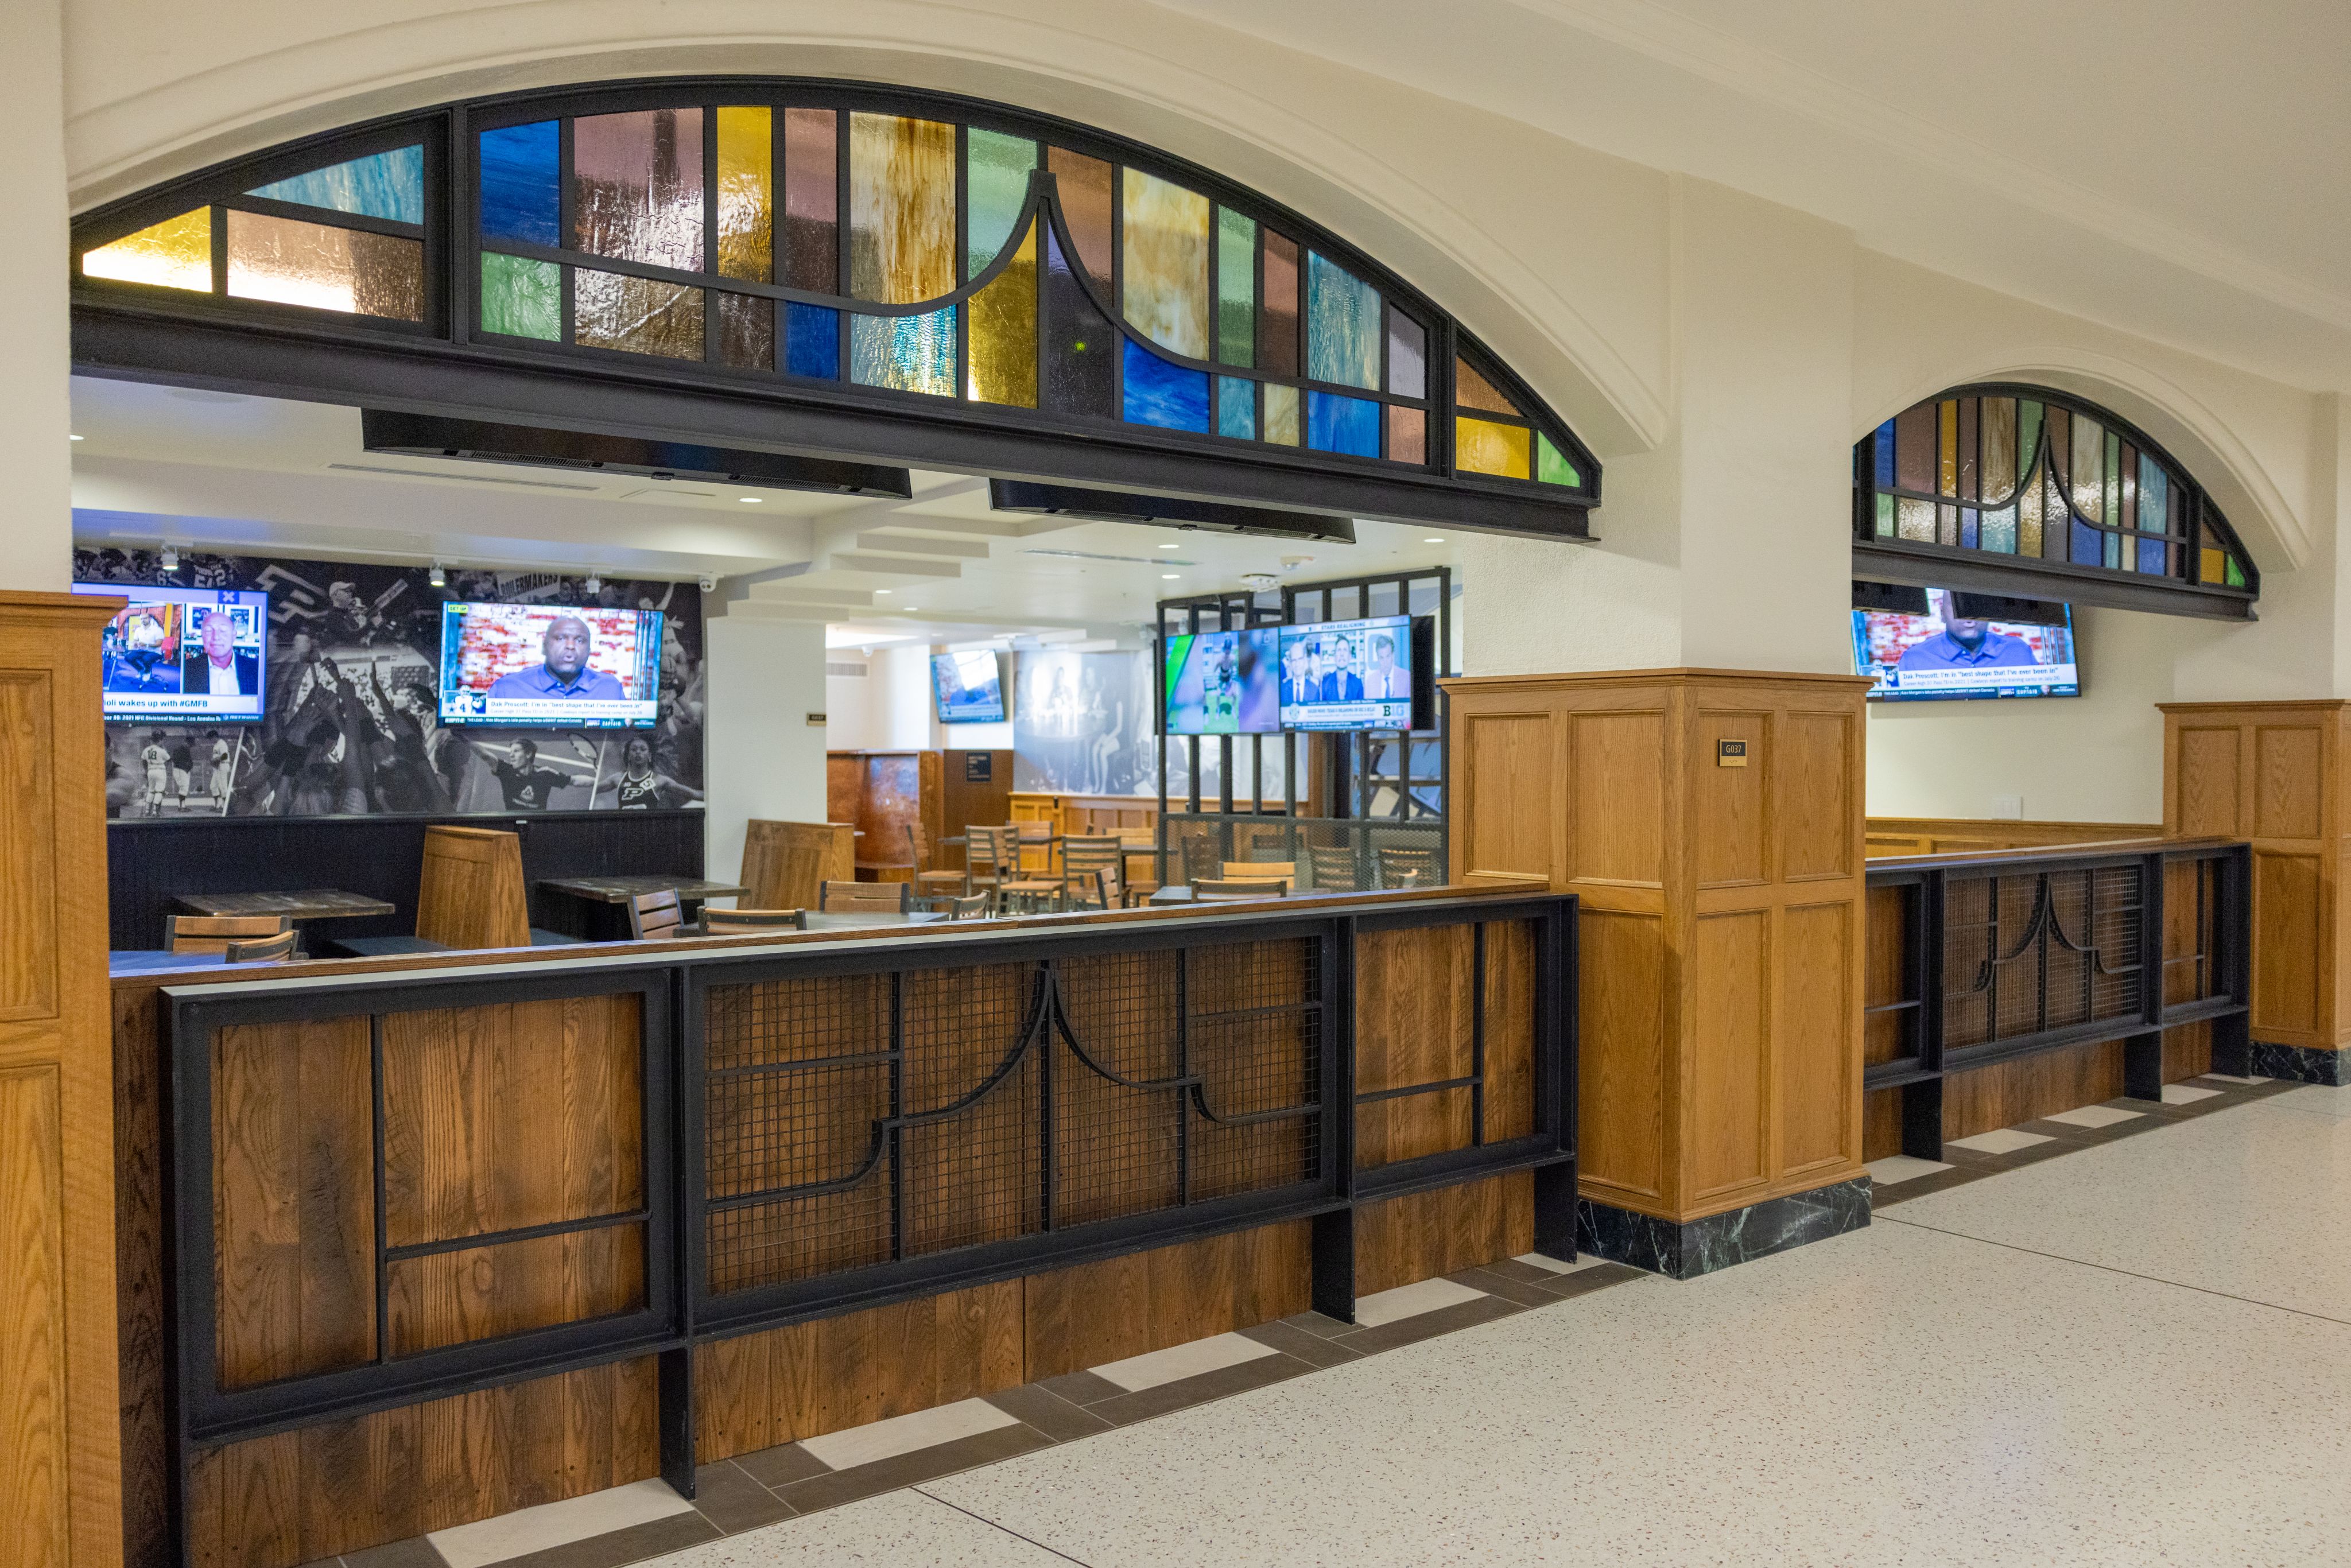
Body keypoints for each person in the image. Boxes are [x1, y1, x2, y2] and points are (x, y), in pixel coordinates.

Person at [487, 615, 626, 701]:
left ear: (589, 651)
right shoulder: (507, 689)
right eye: (560, 638)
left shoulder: (610, 688)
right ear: (544, 647)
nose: (570, 646)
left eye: (579, 641)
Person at [1897, 592, 2039, 673]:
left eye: (1977, 607)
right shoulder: (1915, 660)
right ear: (1942, 615)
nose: (1969, 620)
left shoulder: (2019, 651)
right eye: (1958, 608)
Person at [593, 734, 704, 809]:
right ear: (628, 756)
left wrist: (717, 796)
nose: (638, 752)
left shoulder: (659, 780)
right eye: (634, 749)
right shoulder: (617, 779)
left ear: (650, 756)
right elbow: (592, 791)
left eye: (642, 749)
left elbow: (694, 794)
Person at [181, 608, 259, 697]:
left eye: (223, 631)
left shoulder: (257, 669)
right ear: (202, 636)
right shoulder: (185, 670)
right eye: (209, 631)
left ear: (234, 635)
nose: (216, 637)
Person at [489, 738, 570, 810]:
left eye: (516, 751)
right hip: (510, 822)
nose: (511, 755)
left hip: (537, 824)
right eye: (511, 752)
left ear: (528, 754)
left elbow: (575, 781)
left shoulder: (545, 774)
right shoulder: (507, 770)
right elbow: (485, 756)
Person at [1318, 635, 1364, 703]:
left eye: (1345, 650)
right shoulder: (1325, 684)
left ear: (1350, 656)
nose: (1342, 654)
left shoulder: (1357, 684)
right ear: (1334, 656)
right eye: (1339, 650)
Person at [1362, 632, 1407, 699]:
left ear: (1393, 655)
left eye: (1388, 656)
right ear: (1378, 658)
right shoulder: (1370, 682)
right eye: (1382, 658)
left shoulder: (1406, 677)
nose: (1385, 663)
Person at [139, 731, 171, 815]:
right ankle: (155, 811)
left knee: (151, 791)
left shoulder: (146, 750)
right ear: (160, 740)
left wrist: (146, 771)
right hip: (160, 770)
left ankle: (147, 811)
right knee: (159, 792)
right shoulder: (161, 750)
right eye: (162, 740)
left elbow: (144, 761)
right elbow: (169, 760)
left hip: (150, 771)